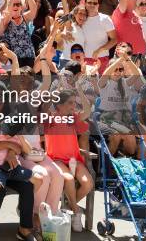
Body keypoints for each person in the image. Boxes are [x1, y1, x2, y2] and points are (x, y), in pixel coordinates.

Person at [44, 89, 94, 232]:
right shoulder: (50, 118)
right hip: (56, 160)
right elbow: (43, 107)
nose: (73, 106)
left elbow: (88, 111)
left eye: (74, 102)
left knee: (88, 183)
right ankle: (76, 212)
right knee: (69, 179)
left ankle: (67, 208)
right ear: (59, 105)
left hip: (74, 160)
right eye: (70, 103)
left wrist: (80, 92)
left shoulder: (73, 118)